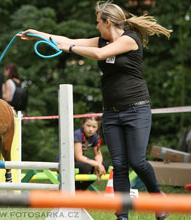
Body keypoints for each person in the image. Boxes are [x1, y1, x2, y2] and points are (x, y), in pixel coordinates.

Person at [18, 2, 171, 220]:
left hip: (136, 110)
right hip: (111, 113)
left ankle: (158, 197)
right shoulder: (101, 40)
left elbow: (99, 54)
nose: (96, 26)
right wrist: (37, 34)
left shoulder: (129, 40)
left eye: (98, 21)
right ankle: (122, 217)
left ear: (107, 21)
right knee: (118, 165)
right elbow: (66, 40)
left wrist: (69, 50)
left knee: (137, 161)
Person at [74, 115, 108, 190]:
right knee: (86, 167)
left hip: (79, 163)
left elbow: (98, 154)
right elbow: (79, 157)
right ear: (83, 125)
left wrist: (98, 165)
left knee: (104, 165)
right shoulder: (78, 134)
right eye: (88, 125)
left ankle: (81, 188)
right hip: (67, 163)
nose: (90, 129)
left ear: (97, 128)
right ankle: (77, 188)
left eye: (94, 127)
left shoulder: (94, 136)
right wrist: (97, 164)